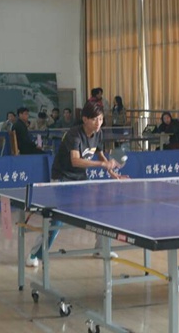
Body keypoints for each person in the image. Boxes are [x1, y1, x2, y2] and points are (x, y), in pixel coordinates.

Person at [26, 102, 125, 267]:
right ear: (85, 119)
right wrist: (102, 165)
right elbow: (75, 160)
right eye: (95, 119)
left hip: (80, 178)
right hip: (62, 178)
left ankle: (101, 249)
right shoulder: (74, 134)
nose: (99, 123)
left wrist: (112, 173)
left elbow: (100, 154)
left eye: (101, 119)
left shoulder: (98, 133)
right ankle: (34, 255)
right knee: (57, 220)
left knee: (101, 210)